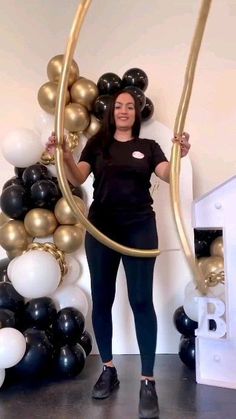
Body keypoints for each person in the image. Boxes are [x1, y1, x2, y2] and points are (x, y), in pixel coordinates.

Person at [46, 90, 190, 419]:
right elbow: (78, 176)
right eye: (118, 107)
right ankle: (108, 369)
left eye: (130, 107)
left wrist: (178, 153)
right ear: (111, 113)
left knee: (141, 301)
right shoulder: (98, 145)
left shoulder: (149, 148)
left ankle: (148, 380)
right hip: (101, 230)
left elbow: (168, 174)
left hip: (139, 228)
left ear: (136, 114)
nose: (124, 111)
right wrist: (64, 155)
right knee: (103, 298)